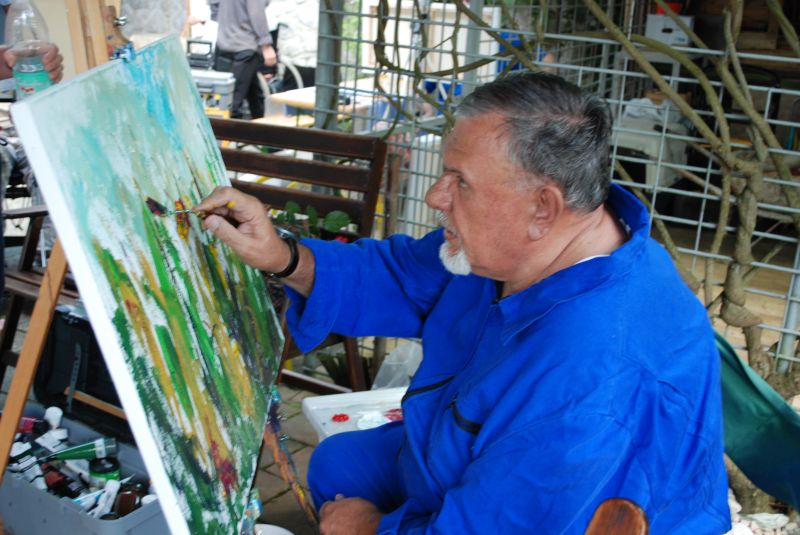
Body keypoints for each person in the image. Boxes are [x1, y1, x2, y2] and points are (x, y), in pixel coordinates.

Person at [196, 72, 731, 534]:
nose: (436, 195)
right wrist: (282, 256)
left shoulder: (589, 381)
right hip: (471, 447)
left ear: (543, 207)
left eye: (460, 182)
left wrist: (373, 528)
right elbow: (402, 275)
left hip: (542, 506)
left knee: (348, 498)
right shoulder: (532, 245)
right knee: (340, 463)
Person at [208, 0, 276, 119]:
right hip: (245, 45)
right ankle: (232, 130)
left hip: (224, 43)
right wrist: (266, 44)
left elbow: (214, 4)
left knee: (253, 95)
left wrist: (226, 22)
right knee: (232, 102)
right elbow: (256, 13)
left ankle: (261, 125)